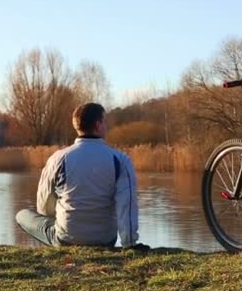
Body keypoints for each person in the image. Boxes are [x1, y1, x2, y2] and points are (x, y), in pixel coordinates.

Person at [15, 102, 148, 250]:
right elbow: (127, 205)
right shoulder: (121, 160)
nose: (107, 127)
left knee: (22, 215)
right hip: (106, 240)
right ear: (98, 125)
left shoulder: (58, 159)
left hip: (65, 240)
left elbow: (44, 207)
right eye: (105, 122)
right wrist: (129, 243)